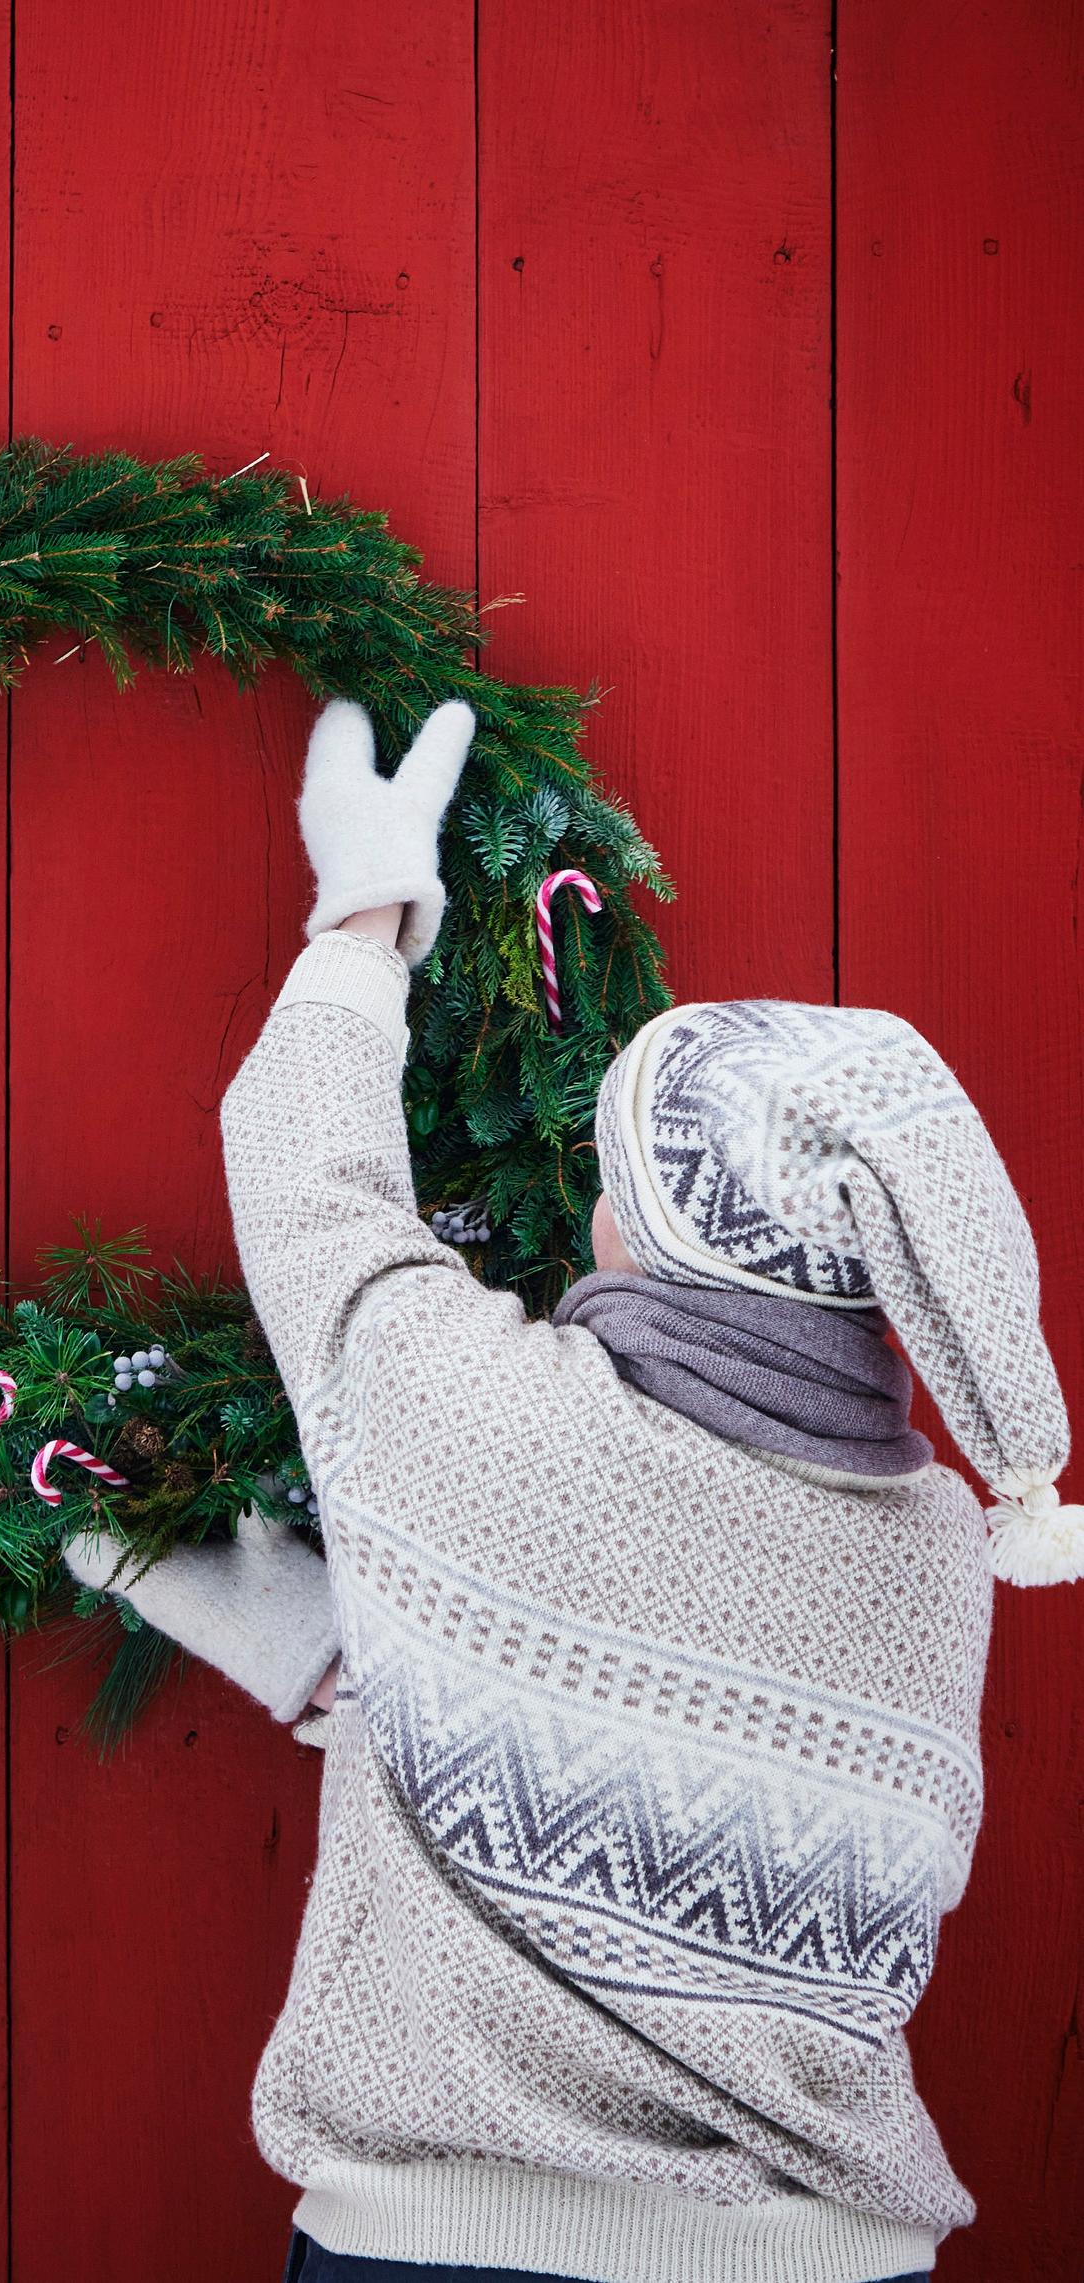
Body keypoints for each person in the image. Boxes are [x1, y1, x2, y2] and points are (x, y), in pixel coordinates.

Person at [63, 699, 1083, 2283]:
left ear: (659, 1248)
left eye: (618, 1188)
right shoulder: (936, 1552)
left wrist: (368, 911)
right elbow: (670, 1732)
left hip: (452, 2255)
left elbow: (304, 1172)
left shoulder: (494, 1414)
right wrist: (368, 1648)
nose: (594, 1215)